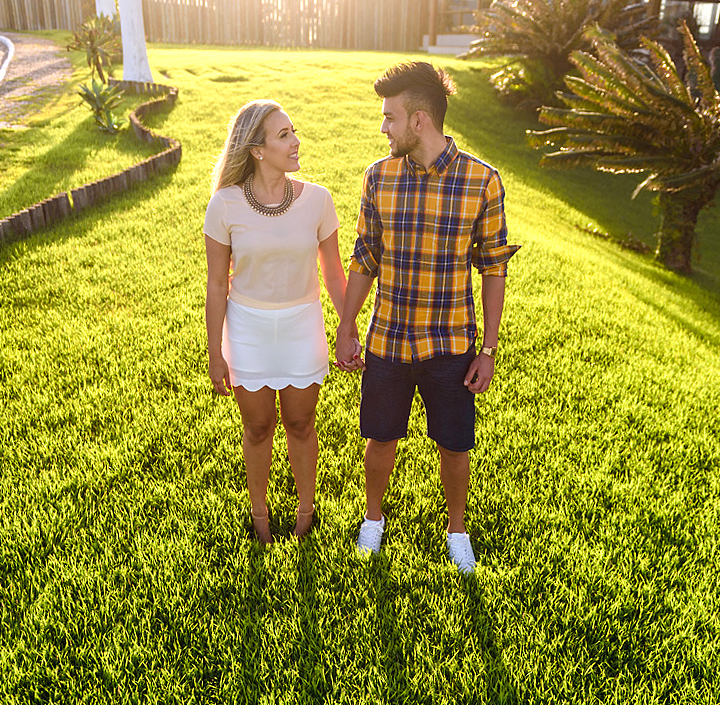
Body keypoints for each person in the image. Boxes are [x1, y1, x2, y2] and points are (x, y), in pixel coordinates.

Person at [336, 62, 519, 574]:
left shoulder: (482, 180)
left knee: (455, 443)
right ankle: (373, 521)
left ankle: (456, 530)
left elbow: (493, 267)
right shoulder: (379, 176)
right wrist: (348, 325)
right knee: (380, 437)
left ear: (419, 120)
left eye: (390, 117)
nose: (383, 128)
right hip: (388, 339)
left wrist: (488, 349)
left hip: (452, 343)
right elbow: (365, 256)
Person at [205, 100, 346, 543]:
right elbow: (215, 287)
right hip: (247, 329)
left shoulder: (318, 200)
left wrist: (348, 327)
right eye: (283, 135)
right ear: (257, 150)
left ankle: (306, 514)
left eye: (293, 131)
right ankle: (260, 517)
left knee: (302, 424)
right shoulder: (224, 205)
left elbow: (334, 273)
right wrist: (215, 353)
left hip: (302, 325)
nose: (295, 141)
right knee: (258, 427)